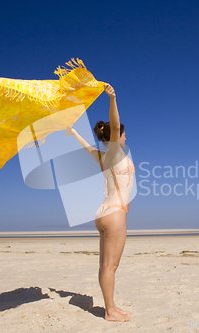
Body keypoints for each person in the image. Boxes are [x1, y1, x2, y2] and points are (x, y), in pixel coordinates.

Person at [66, 84, 134, 321]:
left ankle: (111, 307)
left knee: (105, 265)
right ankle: (110, 311)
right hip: (115, 213)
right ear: (115, 137)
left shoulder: (104, 158)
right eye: (124, 134)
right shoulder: (114, 153)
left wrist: (74, 133)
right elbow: (115, 125)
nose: (125, 136)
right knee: (110, 267)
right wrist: (112, 99)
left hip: (102, 212)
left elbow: (87, 148)